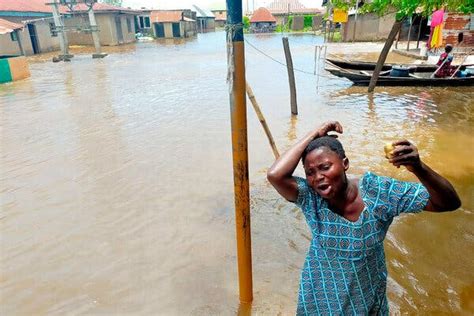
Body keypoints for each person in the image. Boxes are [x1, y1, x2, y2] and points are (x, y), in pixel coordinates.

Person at [267, 121, 461, 315]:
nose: (318, 177)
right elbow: (276, 175)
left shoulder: (378, 193)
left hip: (365, 296)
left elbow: (448, 202)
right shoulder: (311, 198)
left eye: (325, 167)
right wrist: (314, 133)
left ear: (345, 164)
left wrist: (418, 167)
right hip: (320, 298)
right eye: (310, 172)